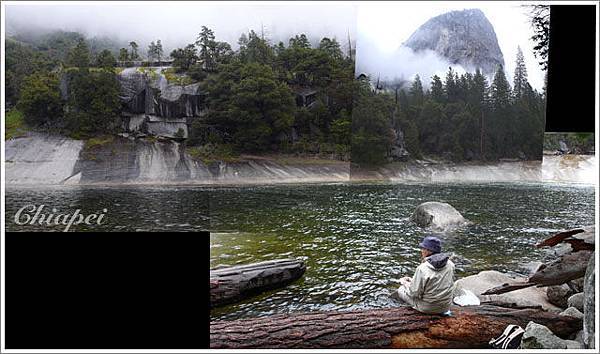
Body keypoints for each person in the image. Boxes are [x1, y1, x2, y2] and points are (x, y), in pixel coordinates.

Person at [396, 235, 455, 314]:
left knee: (400, 290)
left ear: (429, 251)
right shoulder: (450, 264)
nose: (421, 251)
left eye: (423, 248)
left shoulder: (422, 268)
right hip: (446, 306)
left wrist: (405, 284)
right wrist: (412, 281)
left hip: (428, 308)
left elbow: (414, 293)